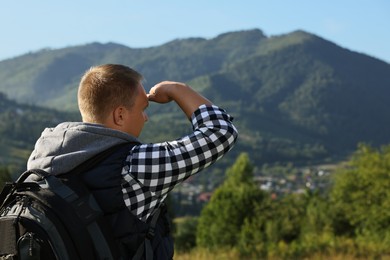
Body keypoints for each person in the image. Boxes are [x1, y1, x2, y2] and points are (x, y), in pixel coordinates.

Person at [27, 64, 238, 259]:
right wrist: (177, 89)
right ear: (119, 115)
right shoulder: (134, 166)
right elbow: (220, 132)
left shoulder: (41, 161)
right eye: (142, 109)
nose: (145, 117)